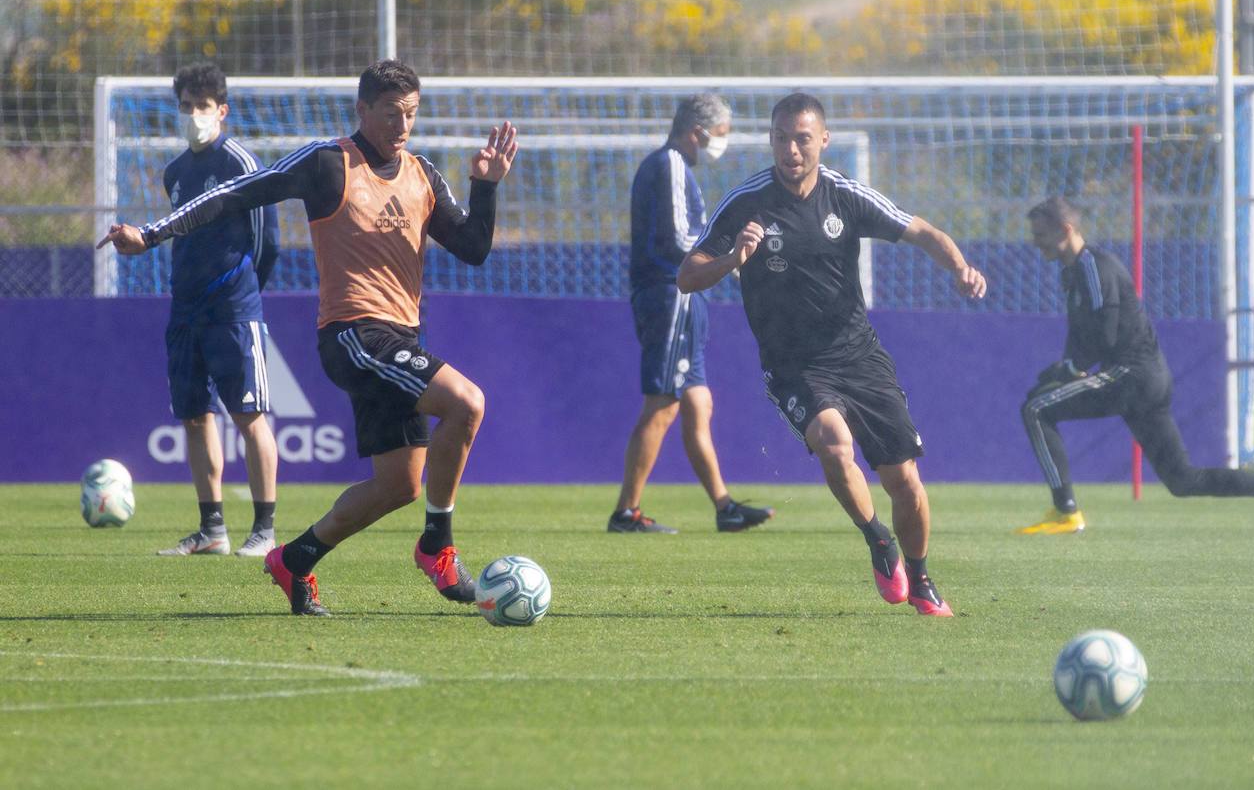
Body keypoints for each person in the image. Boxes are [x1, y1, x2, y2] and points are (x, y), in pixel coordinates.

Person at [100, 60, 519, 616]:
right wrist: (153, 235)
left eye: (411, 114)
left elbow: (472, 248)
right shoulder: (328, 163)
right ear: (362, 109)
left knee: (400, 486)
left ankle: (294, 560)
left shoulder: (421, 175)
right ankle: (437, 547)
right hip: (352, 334)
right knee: (468, 403)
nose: (402, 125)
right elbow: (237, 192)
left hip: (400, 338)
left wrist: (485, 188)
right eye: (391, 113)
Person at [677, 92, 987, 615]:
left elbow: (923, 233)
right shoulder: (746, 202)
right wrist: (732, 258)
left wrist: (959, 267)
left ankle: (921, 576)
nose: (791, 149)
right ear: (771, 140)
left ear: (823, 140)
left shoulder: (844, 195)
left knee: (904, 481)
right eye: (781, 138)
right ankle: (877, 539)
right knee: (832, 440)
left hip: (858, 355)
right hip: (794, 365)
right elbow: (687, 275)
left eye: (802, 138)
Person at [1018, 195, 1254, 534]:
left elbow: (1107, 331)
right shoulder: (1071, 272)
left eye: (1040, 234)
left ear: (1065, 230)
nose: (1034, 241)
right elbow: (1081, 333)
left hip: (1131, 375)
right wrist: (1067, 368)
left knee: (1036, 409)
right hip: (1147, 378)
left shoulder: (1092, 266)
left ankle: (1065, 512)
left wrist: (1072, 369)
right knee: (1183, 479)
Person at [611, 93, 774, 534]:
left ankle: (725, 507)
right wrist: (730, 259)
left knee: (698, 403)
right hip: (672, 294)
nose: (721, 144)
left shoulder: (675, 168)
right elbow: (680, 237)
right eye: (720, 135)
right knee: (663, 402)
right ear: (697, 132)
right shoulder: (669, 165)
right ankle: (627, 512)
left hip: (682, 298)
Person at [156, 61, 281, 558]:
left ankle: (264, 529)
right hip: (185, 312)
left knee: (249, 417)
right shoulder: (175, 172)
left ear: (222, 111)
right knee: (193, 417)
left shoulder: (241, 164)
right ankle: (212, 530)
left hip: (232, 310)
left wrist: (244, 294)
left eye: (202, 106)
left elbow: (266, 241)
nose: (193, 115)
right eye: (185, 106)